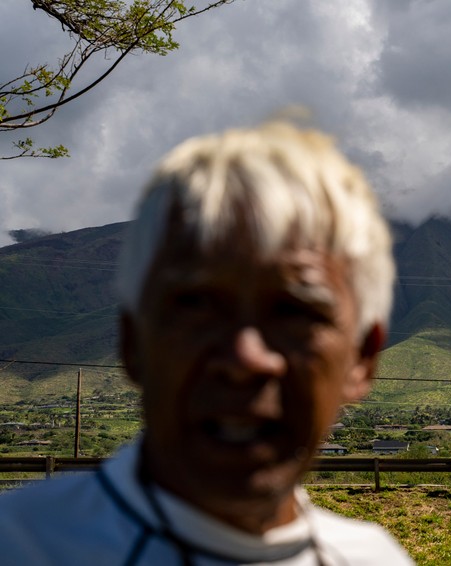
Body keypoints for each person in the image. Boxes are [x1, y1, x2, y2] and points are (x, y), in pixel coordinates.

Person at [0, 121, 413, 565]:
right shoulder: (22, 544)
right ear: (133, 342)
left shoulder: (375, 557)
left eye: (294, 312)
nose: (246, 359)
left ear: (361, 359)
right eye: (197, 306)